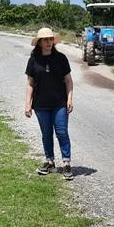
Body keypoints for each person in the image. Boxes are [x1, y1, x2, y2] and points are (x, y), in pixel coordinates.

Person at [24, 28, 75, 180]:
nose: (48, 42)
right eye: (45, 40)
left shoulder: (61, 58)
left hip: (59, 103)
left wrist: (70, 99)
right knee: (46, 134)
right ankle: (50, 161)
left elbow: (68, 81)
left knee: (62, 133)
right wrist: (28, 104)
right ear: (39, 42)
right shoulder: (33, 60)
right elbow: (30, 83)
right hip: (40, 104)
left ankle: (66, 163)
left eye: (50, 39)